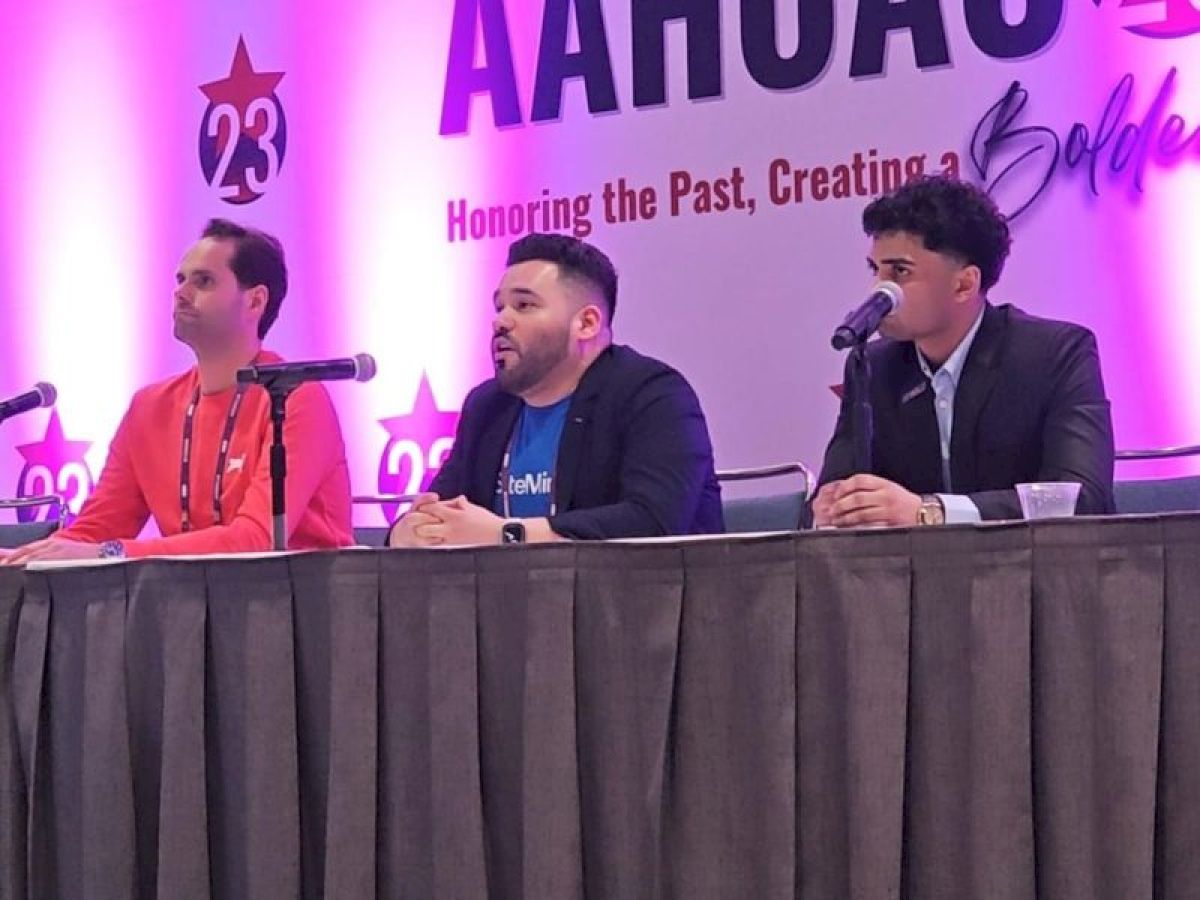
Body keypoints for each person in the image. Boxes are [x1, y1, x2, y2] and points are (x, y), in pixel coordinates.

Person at [4, 219, 353, 563]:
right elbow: (96, 529)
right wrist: (22, 558)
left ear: (255, 302)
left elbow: (255, 539)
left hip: (300, 609)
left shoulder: (296, 398)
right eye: (180, 279)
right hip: (186, 607)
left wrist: (112, 553)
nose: (180, 293)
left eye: (203, 281)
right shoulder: (150, 407)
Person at [812, 175, 1115, 528]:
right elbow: (829, 493)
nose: (880, 289)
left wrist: (930, 512)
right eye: (875, 270)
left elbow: (1081, 498)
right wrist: (829, 510)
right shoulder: (874, 366)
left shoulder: (1055, 355)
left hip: (1037, 574)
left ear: (964, 284)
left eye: (899, 271)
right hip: (917, 579)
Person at [389, 233, 722, 547]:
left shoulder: (652, 395)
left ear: (586, 323)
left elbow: (652, 523)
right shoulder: (488, 406)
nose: (500, 321)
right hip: (507, 604)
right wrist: (408, 532)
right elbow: (441, 510)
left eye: (523, 305)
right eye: (499, 307)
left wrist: (508, 534)